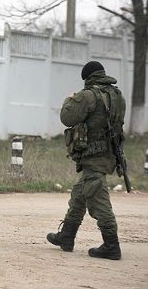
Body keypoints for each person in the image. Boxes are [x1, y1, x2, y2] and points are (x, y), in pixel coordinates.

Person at [47, 61, 125, 260]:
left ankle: (111, 245)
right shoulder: (116, 95)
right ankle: (67, 235)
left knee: (98, 198)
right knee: (80, 193)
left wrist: (70, 99)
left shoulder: (88, 95)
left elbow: (67, 117)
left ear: (87, 77)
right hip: (109, 154)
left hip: (93, 155)